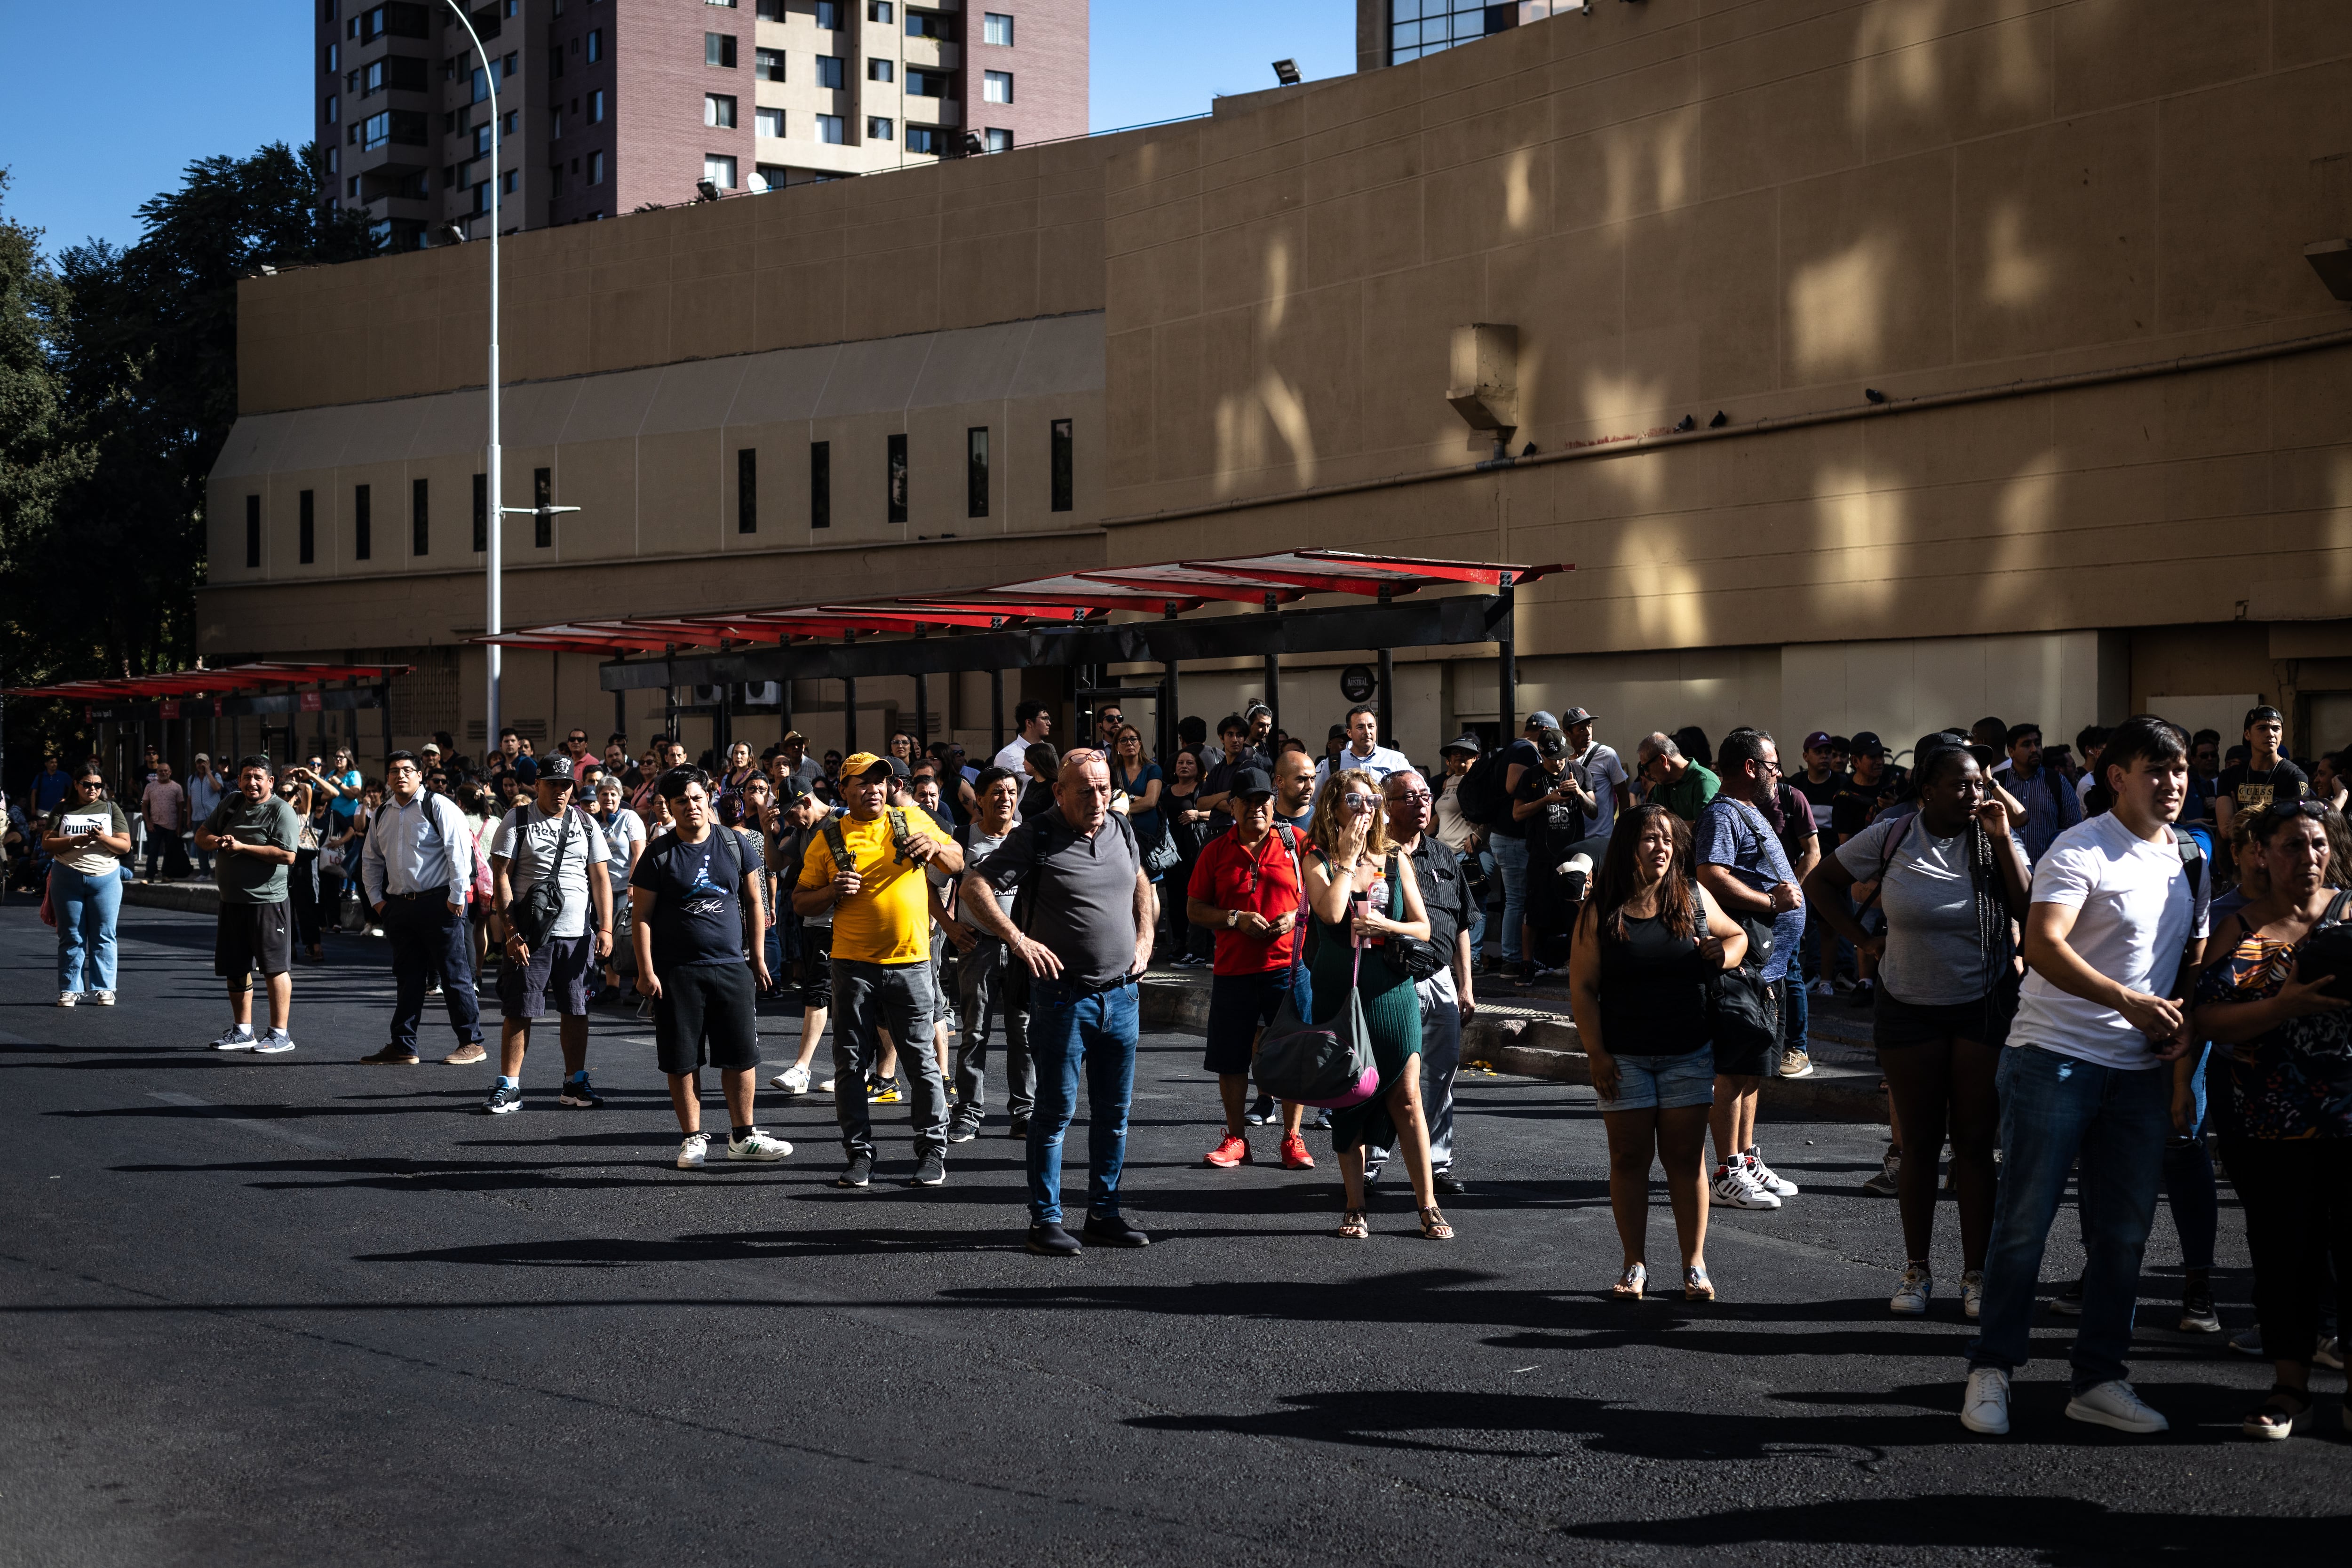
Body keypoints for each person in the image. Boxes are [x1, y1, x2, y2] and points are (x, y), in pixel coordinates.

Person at [1959, 716, 2210, 1439]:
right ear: (2117, 778)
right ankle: (1992, 1369)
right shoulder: (2082, 846)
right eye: (2155, 770)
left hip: (2135, 1074)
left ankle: (2099, 1378)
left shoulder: (2191, 855)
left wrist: (2179, 1027)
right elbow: (2042, 945)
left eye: (2180, 770)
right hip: (2053, 1059)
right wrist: (2128, 1001)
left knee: (2124, 1235)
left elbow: (2188, 959)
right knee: (2023, 1227)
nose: (2171, 783)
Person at [1805, 736, 2030, 1318]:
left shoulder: (1993, 838)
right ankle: (1916, 1270)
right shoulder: (1892, 833)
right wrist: (1863, 942)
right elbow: (1820, 884)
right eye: (1960, 784)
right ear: (1926, 791)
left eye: (1979, 783)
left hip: (1981, 1005)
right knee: (1920, 1147)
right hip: (1906, 1008)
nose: (1973, 794)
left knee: (1976, 1146)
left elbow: (2028, 910)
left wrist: (2003, 838)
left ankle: (1975, 1275)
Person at [2190, 799, 2352, 1438]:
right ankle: (2290, 1389)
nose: (2307, 858)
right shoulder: (2239, 925)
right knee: (2286, 1253)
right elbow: (2206, 1019)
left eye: (2317, 845)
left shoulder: (2351, 911)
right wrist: (2283, 1007)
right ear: (2263, 852)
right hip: (2265, 1119)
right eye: (2291, 845)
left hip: (2349, 1113)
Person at [964, 749, 1154, 1255]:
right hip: (1063, 999)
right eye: (1085, 790)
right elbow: (975, 885)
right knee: (1053, 1114)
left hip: (1122, 996)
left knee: (1114, 1115)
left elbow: (1139, 879)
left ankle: (1103, 1213)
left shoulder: (1119, 827)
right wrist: (1016, 939)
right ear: (1059, 792)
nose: (1097, 799)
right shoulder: (1038, 834)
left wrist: (1145, 937)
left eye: (1103, 788)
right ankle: (1044, 1221)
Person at [1568, 803, 1748, 1301]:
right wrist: (1596, 1055)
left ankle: (1694, 1266)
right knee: (1628, 1159)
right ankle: (1634, 1264)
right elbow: (1582, 989)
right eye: (1650, 838)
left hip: (1687, 1053)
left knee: (1685, 1160)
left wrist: (1723, 952)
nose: (1661, 847)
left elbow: (1736, 936)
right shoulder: (1599, 910)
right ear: (1627, 845)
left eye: (1668, 839)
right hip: (1622, 1057)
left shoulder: (1690, 896)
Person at [794, 751, 965, 1188]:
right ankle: (859, 1155)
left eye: (880, 781)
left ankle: (932, 1151)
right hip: (852, 965)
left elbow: (958, 861)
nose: (874, 788)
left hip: (910, 961)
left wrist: (937, 847)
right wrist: (831, 891)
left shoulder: (909, 820)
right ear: (843, 791)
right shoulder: (829, 836)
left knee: (922, 1061)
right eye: (862, 782)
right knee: (850, 1064)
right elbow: (800, 901)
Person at [1298, 768, 1446, 1241]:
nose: (1364, 809)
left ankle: (1428, 1206)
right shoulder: (1317, 859)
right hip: (1340, 995)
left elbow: (1423, 928)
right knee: (1349, 1100)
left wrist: (1387, 927)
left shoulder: (1393, 857)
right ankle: (1354, 1205)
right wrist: (1345, 858)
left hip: (1391, 992)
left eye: (1371, 801)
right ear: (1333, 808)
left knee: (1406, 1098)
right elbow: (1332, 913)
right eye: (1353, 800)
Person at [629, 767, 792, 1168]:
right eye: (681, 801)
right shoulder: (659, 853)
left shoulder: (735, 844)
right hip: (676, 971)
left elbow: (756, 901)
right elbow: (642, 916)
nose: (692, 806)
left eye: (697, 798)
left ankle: (743, 1136)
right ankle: (692, 1138)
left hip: (731, 966)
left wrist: (756, 955)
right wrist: (646, 970)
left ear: (710, 798)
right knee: (683, 1058)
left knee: (741, 1055)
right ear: (669, 807)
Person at [1692, 728, 1804, 1211]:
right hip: (1746, 960)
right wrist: (1768, 901)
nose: (1777, 773)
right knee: (1734, 1068)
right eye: (1772, 765)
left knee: (1756, 1066)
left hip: (1770, 965)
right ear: (1749, 767)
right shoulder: (1721, 814)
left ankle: (1744, 1156)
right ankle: (1725, 1171)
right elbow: (1710, 876)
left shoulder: (1751, 811)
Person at [1186, 765, 1311, 1171]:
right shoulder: (1216, 851)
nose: (1256, 809)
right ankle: (1236, 1137)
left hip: (1289, 969)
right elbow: (1194, 909)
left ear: (1273, 805)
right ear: (1233, 806)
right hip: (1233, 970)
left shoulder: (1296, 844)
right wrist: (1234, 917)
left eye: (1263, 802)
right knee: (1231, 1059)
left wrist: (1295, 916)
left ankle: (1292, 1138)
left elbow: (1322, 895)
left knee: (1295, 1055)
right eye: (1248, 802)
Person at [1365, 769, 1478, 1194]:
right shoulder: (1376, 856)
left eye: (1425, 795)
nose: (1421, 802)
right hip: (1392, 979)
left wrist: (1466, 985)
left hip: (1440, 979)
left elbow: (1463, 923)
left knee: (1441, 1075)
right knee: (1387, 1074)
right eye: (1408, 796)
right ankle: (1373, 1159)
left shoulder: (1445, 856)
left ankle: (1437, 1163)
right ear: (1387, 806)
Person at [485, 755, 615, 1114]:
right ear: (538, 783)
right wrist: (511, 932)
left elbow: (601, 877)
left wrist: (605, 928)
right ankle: (509, 1086)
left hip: (577, 935)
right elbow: (502, 878)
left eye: (566, 785)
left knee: (576, 1009)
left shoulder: (587, 823)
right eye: (553, 784)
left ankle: (575, 1082)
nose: (560, 791)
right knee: (520, 1009)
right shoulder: (519, 818)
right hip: (531, 935)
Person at [359, 751, 486, 1067]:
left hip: (440, 902)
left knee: (454, 974)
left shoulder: (439, 805)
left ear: (419, 774)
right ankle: (403, 1046)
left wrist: (457, 897)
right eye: (393, 771)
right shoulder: (382, 814)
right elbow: (371, 859)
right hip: (399, 907)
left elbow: (458, 852)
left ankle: (472, 1042)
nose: (400, 776)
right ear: (388, 778)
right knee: (408, 977)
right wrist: (378, 901)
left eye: (407, 770)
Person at [946, 766, 1035, 1139]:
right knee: (975, 1033)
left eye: (1011, 791)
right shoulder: (963, 837)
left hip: (1021, 950)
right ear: (979, 799)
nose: (1005, 799)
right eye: (997, 792)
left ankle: (1025, 1112)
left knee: (1024, 1033)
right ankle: (968, 1114)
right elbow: (930, 884)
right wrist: (950, 926)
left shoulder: (1028, 836)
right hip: (978, 948)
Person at [196, 755, 303, 1054]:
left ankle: (280, 1034)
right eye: (246, 777)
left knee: (274, 968)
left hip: (267, 901)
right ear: (239, 780)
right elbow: (202, 835)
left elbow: (287, 855)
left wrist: (243, 847)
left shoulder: (281, 811)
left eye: (258, 777)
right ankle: (243, 1031)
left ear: (271, 782)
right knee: (236, 966)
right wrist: (218, 841)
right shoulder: (231, 803)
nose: (251, 783)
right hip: (232, 901)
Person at [763, 778, 841, 1098]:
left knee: (824, 994)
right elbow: (775, 862)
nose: (791, 821)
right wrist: (768, 830)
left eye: (792, 814)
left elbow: (844, 878)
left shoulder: (835, 825)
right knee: (822, 993)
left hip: (834, 922)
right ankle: (844, 1068)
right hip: (814, 920)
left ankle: (804, 1067)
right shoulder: (804, 829)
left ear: (807, 802)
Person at [1510, 720, 1595, 983]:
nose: (1559, 763)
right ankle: (1526, 964)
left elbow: (1595, 811)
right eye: (1552, 758)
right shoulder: (1531, 776)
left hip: (1573, 856)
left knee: (1577, 908)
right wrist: (1548, 799)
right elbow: (1517, 814)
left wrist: (1579, 793)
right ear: (1542, 755)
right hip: (1540, 855)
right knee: (1533, 910)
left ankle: (1578, 963)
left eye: (1562, 757)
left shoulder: (1580, 773)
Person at [43, 769, 131, 1006]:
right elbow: (47, 843)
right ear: (76, 785)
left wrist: (103, 838)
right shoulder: (62, 809)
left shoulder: (111, 809)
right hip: (67, 878)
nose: (93, 789)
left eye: (98, 785)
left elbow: (124, 846)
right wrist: (75, 840)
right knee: (71, 935)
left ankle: (105, 989)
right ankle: (70, 989)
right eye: (87, 784)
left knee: (104, 934)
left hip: (105, 880)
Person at [2213, 704, 2308, 840]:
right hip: (2240, 858)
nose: (2270, 734)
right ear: (2247, 735)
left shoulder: (2294, 776)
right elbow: (2226, 831)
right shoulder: (2229, 776)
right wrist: (2272, 818)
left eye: (2276, 729)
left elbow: (2294, 828)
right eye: (2262, 728)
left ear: (2282, 736)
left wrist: (2239, 818)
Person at [1991, 723, 2082, 865]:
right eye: (2027, 745)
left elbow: (2074, 829)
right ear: (2012, 752)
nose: (2035, 749)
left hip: (2047, 870)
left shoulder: (2057, 781)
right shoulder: (1998, 783)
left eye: (2038, 744)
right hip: (2007, 871)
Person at [1160, 748, 1216, 966]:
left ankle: (1201, 948)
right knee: (1175, 899)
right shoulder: (1166, 791)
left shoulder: (1203, 789)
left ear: (1198, 768)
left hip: (1194, 849)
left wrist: (1198, 815)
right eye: (1180, 763)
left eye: (1190, 763)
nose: (1184, 766)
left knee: (1197, 896)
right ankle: (1180, 943)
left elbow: (1219, 812)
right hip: (1171, 852)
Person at [1310, 704, 1414, 805]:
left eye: (1371, 726)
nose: (1367, 732)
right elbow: (1317, 802)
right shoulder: (1334, 763)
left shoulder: (1395, 760)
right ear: (1349, 733)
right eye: (1360, 727)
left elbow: (1420, 792)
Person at [1561, 708, 1631, 845]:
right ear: (1567, 733)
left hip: (1601, 838)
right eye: (1581, 729)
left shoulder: (1607, 755)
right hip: (1572, 838)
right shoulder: (1561, 760)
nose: (1588, 732)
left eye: (1589, 726)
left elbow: (1623, 795)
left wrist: (1621, 830)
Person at [1109, 724, 1165, 883]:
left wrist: (1122, 806)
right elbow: (1107, 800)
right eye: (1124, 740)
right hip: (1121, 833)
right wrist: (1136, 798)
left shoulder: (1153, 769)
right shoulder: (1113, 772)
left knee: (1149, 882)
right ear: (1117, 747)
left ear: (1140, 743)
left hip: (1148, 835)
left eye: (1133, 739)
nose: (1129, 743)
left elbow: (1150, 801)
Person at [1636, 731, 1719, 823]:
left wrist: (1667, 826)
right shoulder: (1662, 784)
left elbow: (1704, 827)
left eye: (1646, 767)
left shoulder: (1704, 782)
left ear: (1663, 761)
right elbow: (1654, 823)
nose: (1646, 774)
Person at [139, 761, 191, 881]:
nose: (163, 773)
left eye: (165, 771)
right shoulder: (150, 787)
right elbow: (144, 805)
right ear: (157, 773)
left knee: (170, 852)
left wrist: (179, 827)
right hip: (154, 824)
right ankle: (149, 876)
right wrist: (148, 822)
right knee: (153, 852)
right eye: (161, 771)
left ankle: (167, 875)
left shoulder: (177, 788)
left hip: (172, 825)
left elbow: (180, 808)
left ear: (170, 772)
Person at [184, 754, 224, 876]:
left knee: (219, 845)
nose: (201, 766)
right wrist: (189, 818)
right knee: (200, 847)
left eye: (204, 763)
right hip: (197, 818)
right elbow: (190, 800)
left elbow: (217, 788)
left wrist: (208, 772)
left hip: (214, 817)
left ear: (208, 763)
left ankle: (221, 872)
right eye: (198, 763)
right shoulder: (192, 779)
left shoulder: (216, 776)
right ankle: (205, 872)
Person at [993, 700, 1053, 774]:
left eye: (1048, 719)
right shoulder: (1008, 756)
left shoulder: (1049, 750)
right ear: (1029, 723)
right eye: (1044, 718)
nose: (1049, 723)